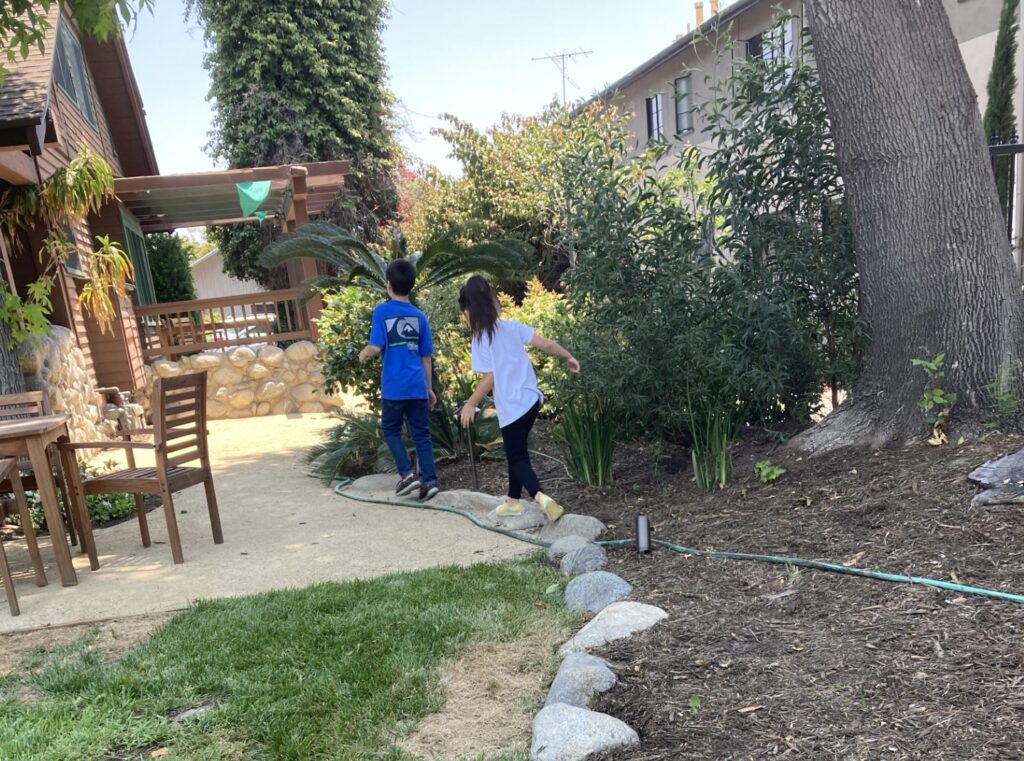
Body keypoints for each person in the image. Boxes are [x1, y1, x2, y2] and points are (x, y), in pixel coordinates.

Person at [457, 275, 580, 521]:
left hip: (512, 407)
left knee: (517, 457)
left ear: (469, 310)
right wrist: (568, 357)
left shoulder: (480, 340)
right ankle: (513, 501)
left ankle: (541, 498)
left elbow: (489, 377)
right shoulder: (512, 327)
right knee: (517, 450)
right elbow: (545, 344)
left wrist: (470, 403)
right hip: (531, 401)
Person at [358, 259, 439, 501]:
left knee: (390, 429)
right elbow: (426, 358)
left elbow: (376, 345)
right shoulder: (419, 317)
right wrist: (429, 389)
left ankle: (407, 475)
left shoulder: (382, 311)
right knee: (421, 434)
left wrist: (364, 353)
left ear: (389, 285)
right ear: (411, 286)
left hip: (394, 387)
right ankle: (430, 481)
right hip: (417, 386)